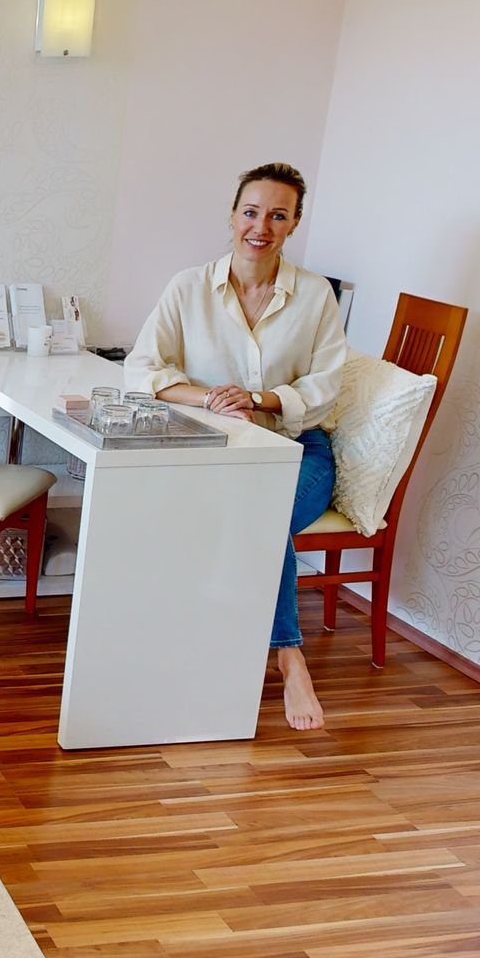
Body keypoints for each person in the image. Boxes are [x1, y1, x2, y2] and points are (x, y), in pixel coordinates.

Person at [124, 162, 346, 731]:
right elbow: (141, 369)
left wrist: (259, 399)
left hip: (298, 449)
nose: (261, 227)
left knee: (258, 518)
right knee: (238, 518)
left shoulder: (315, 295)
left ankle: (287, 657)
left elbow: (324, 389)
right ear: (232, 216)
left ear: (294, 223)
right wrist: (211, 399)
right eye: (251, 212)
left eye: (278, 215)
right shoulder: (188, 287)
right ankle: (245, 650)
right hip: (216, 454)